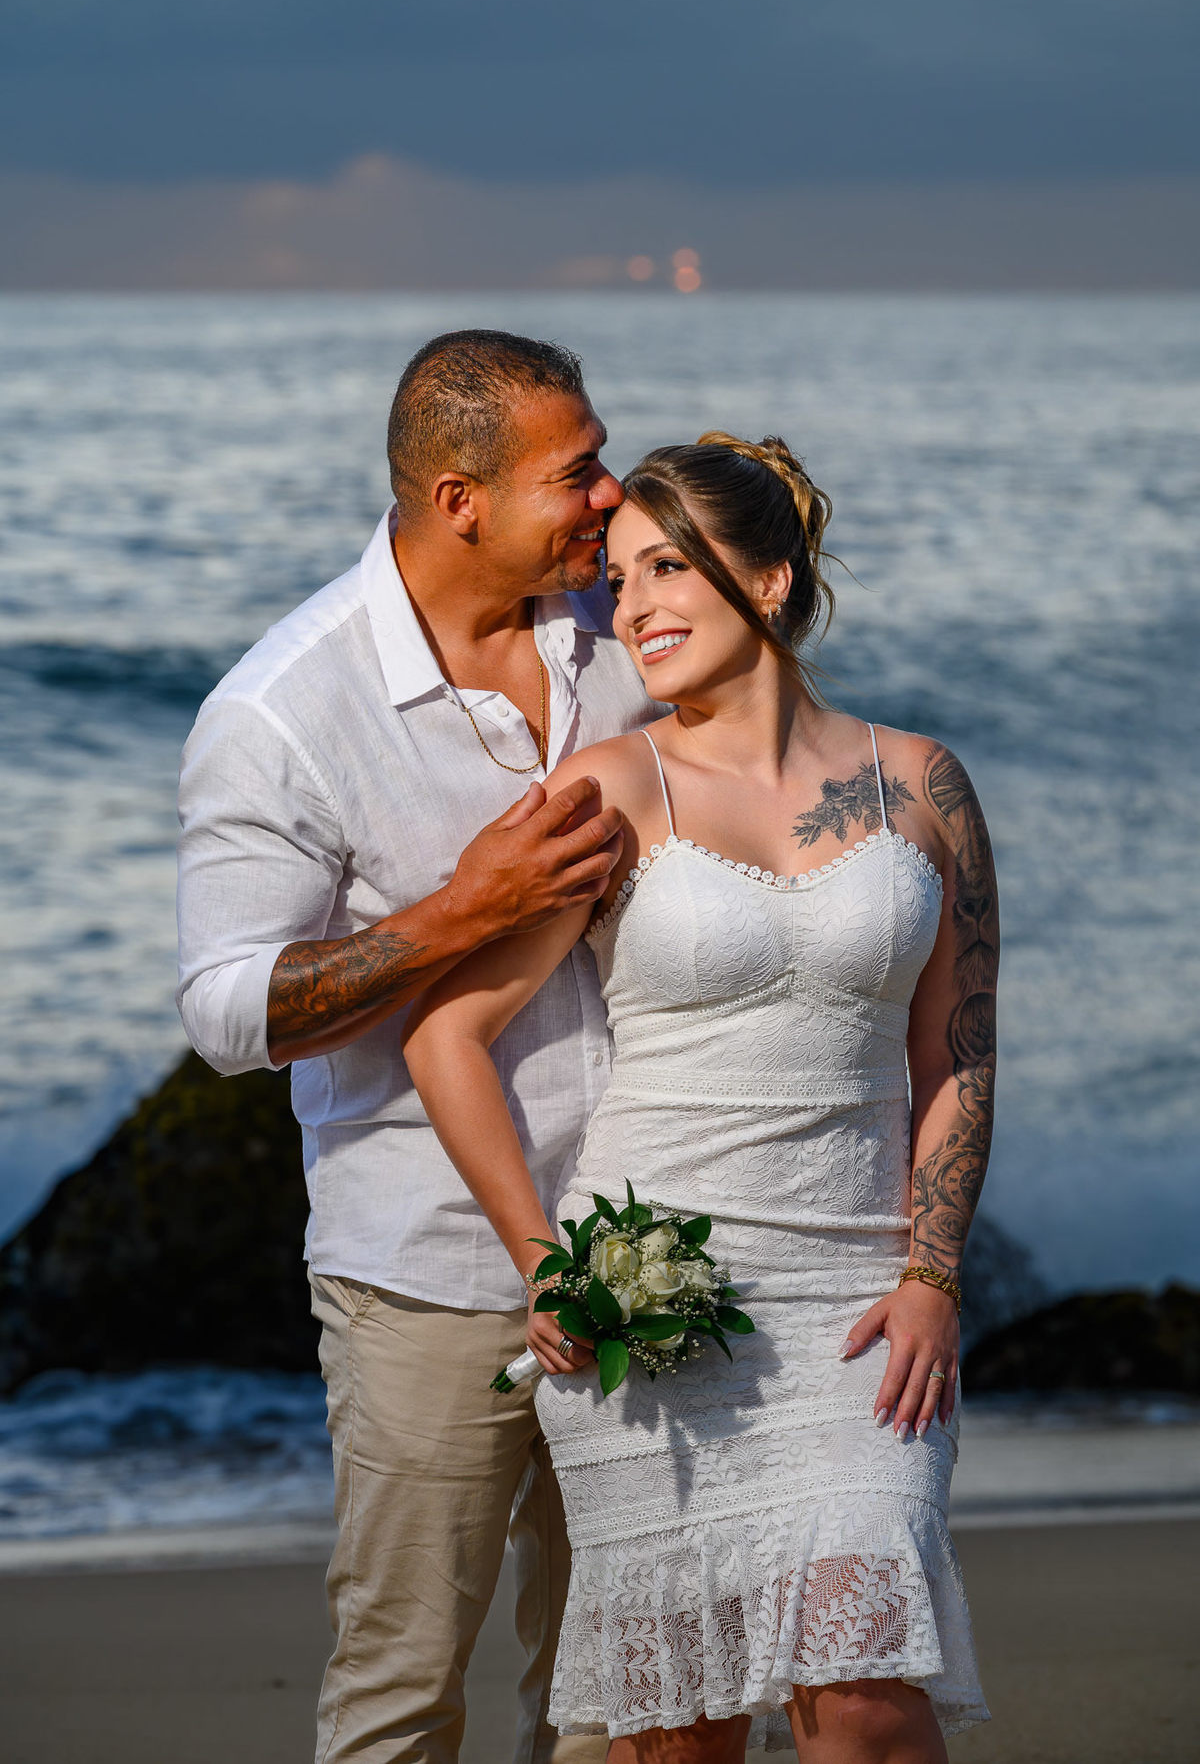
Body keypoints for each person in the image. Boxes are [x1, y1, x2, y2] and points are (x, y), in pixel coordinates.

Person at [403, 431, 998, 1760]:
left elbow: (959, 1053)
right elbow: (448, 1036)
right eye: (618, 580)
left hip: (860, 1311)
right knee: (683, 1738)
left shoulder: (923, 785)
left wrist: (934, 1274)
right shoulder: (609, 790)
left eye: (668, 567)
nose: (636, 607)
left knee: (867, 1700)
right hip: (657, 1306)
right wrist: (547, 1266)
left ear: (770, 579)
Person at [176, 329, 662, 1763]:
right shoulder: (284, 712)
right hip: (430, 1273)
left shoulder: (628, 628)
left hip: (650, 1243)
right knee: (401, 1694)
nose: (609, 493)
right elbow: (229, 1013)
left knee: (626, 1696)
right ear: (461, 500)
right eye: (576, 472)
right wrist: (464, 911)